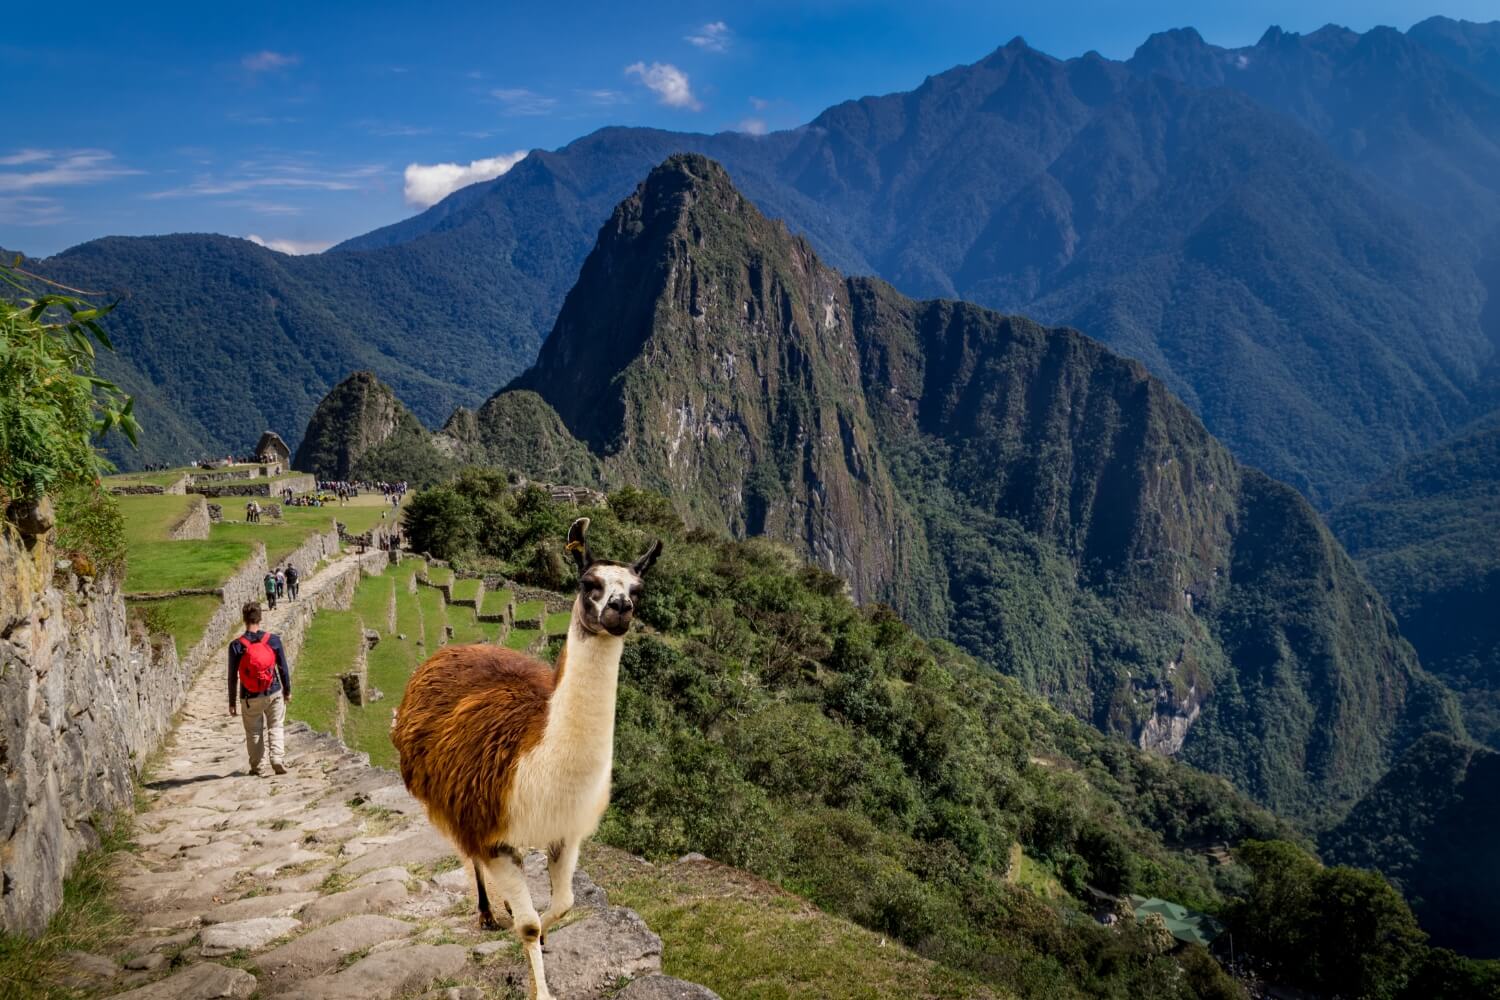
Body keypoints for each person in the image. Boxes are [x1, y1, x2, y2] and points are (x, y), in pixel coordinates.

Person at [228, 601, 292, 776]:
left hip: (249, 696)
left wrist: (232, 702)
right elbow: (283, 668)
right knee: (276, 725)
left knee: (254, 731)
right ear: (260, 617)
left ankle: (257, 766)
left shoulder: (236, 646)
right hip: (274, 691)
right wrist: (287, 690)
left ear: (244, 619)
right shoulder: (273, 640)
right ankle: (277, 759)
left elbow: (232, 677)